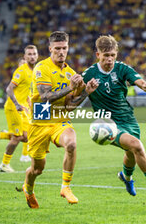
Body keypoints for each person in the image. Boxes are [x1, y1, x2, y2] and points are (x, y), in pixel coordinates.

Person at [82, 35, 146, 202]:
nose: (109, 59)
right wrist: (85, 91)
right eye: (106, 55)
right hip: (108, 124)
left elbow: (139, 82)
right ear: (98, 55)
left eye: (112, 55)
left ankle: (127, 177)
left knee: (132, 152)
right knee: (136, 146)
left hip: (129, 119)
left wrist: (145, 85)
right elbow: (75, 98)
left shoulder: (122, 68)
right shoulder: (89, 74)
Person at [22, 31, 98, 208]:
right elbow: (45, 97)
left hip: (59, 120)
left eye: (64, 48)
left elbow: (70, 107)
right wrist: (70, 87)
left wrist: (86, 91)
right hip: (39, 120)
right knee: (37, 169)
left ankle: (66, 187)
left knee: (71, 144)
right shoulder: (42, 68)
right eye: (57, 48)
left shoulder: (71, 73)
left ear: (68, 48)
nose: (61, 52)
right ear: (50, 49)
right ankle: (28, 188)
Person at [0, 46, 38, 172]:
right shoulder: (22, 71)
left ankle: (0, 135)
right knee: (17, 137)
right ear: (25, 57)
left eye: (34, 54)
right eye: (29, 54)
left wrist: (29, 105)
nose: (32, 56)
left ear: (37, 56)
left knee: (26, 137)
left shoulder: (34, 71)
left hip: (22, 108)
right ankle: (4, 164)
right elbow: (9, 88)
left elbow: (25, 92)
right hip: (13, 107)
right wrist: (16, 103)